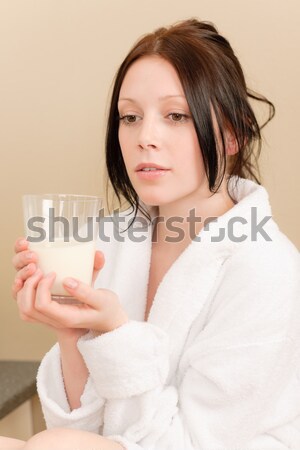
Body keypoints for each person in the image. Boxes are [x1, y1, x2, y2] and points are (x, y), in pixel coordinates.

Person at [2, 18, 300, 450]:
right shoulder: (112, 241)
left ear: (233, 134)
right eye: (130, 117)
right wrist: (72, 335)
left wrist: (114, 334)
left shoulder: (267, 269)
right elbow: (84, 429)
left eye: (176, 115)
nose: (145, 137)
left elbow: (194, 444)